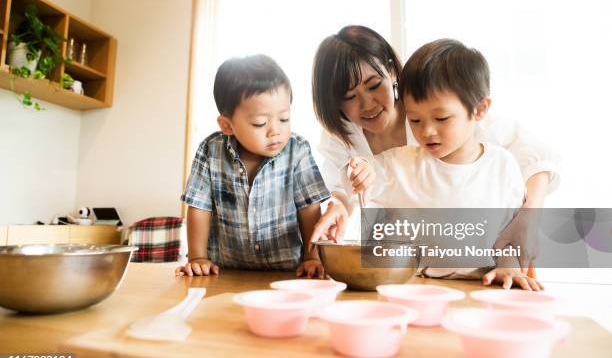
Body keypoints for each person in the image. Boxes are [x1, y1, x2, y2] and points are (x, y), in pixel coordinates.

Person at [310, 26, 559, 271]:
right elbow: (346, 186)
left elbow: (535, 156)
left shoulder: (447, 110)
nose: (367, 104)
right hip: (407, 265)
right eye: (350, 96)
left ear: (392, 72)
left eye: (374, 85)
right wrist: (340, 206)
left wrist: (528, 218)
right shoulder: (341, 136)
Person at [175, 55, 330, 278]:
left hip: (288, 272)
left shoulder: (298, 151)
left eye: (284, 119)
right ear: (227, 125)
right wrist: (198, 257)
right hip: (226, 272)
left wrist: (312, 258)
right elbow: (199, 207)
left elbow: (309, 209)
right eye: (260, 123)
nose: (275, 131)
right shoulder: (211, 151)